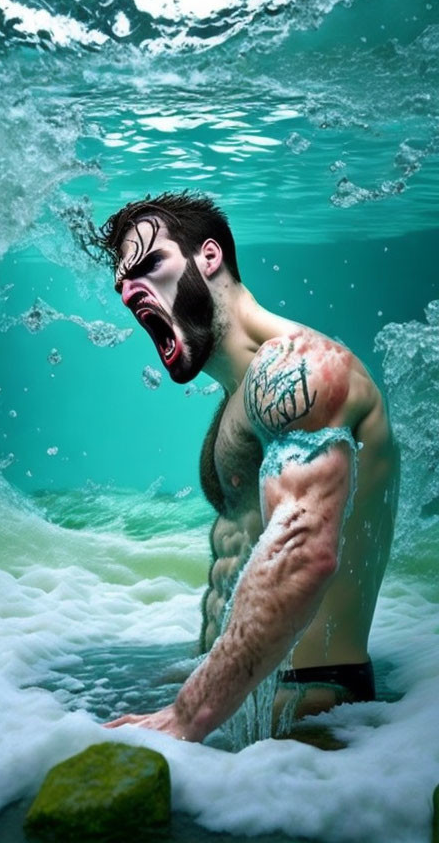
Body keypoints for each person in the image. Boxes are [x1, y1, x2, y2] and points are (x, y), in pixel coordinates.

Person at [93, 192, 399, 743]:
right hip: (244, 691)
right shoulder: (244, 388)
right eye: (122, 283)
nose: (129, 290)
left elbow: (303, 555)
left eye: (150, 265)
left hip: (309, 704)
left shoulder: (297, 369)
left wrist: (187, 716)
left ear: (209, 257)